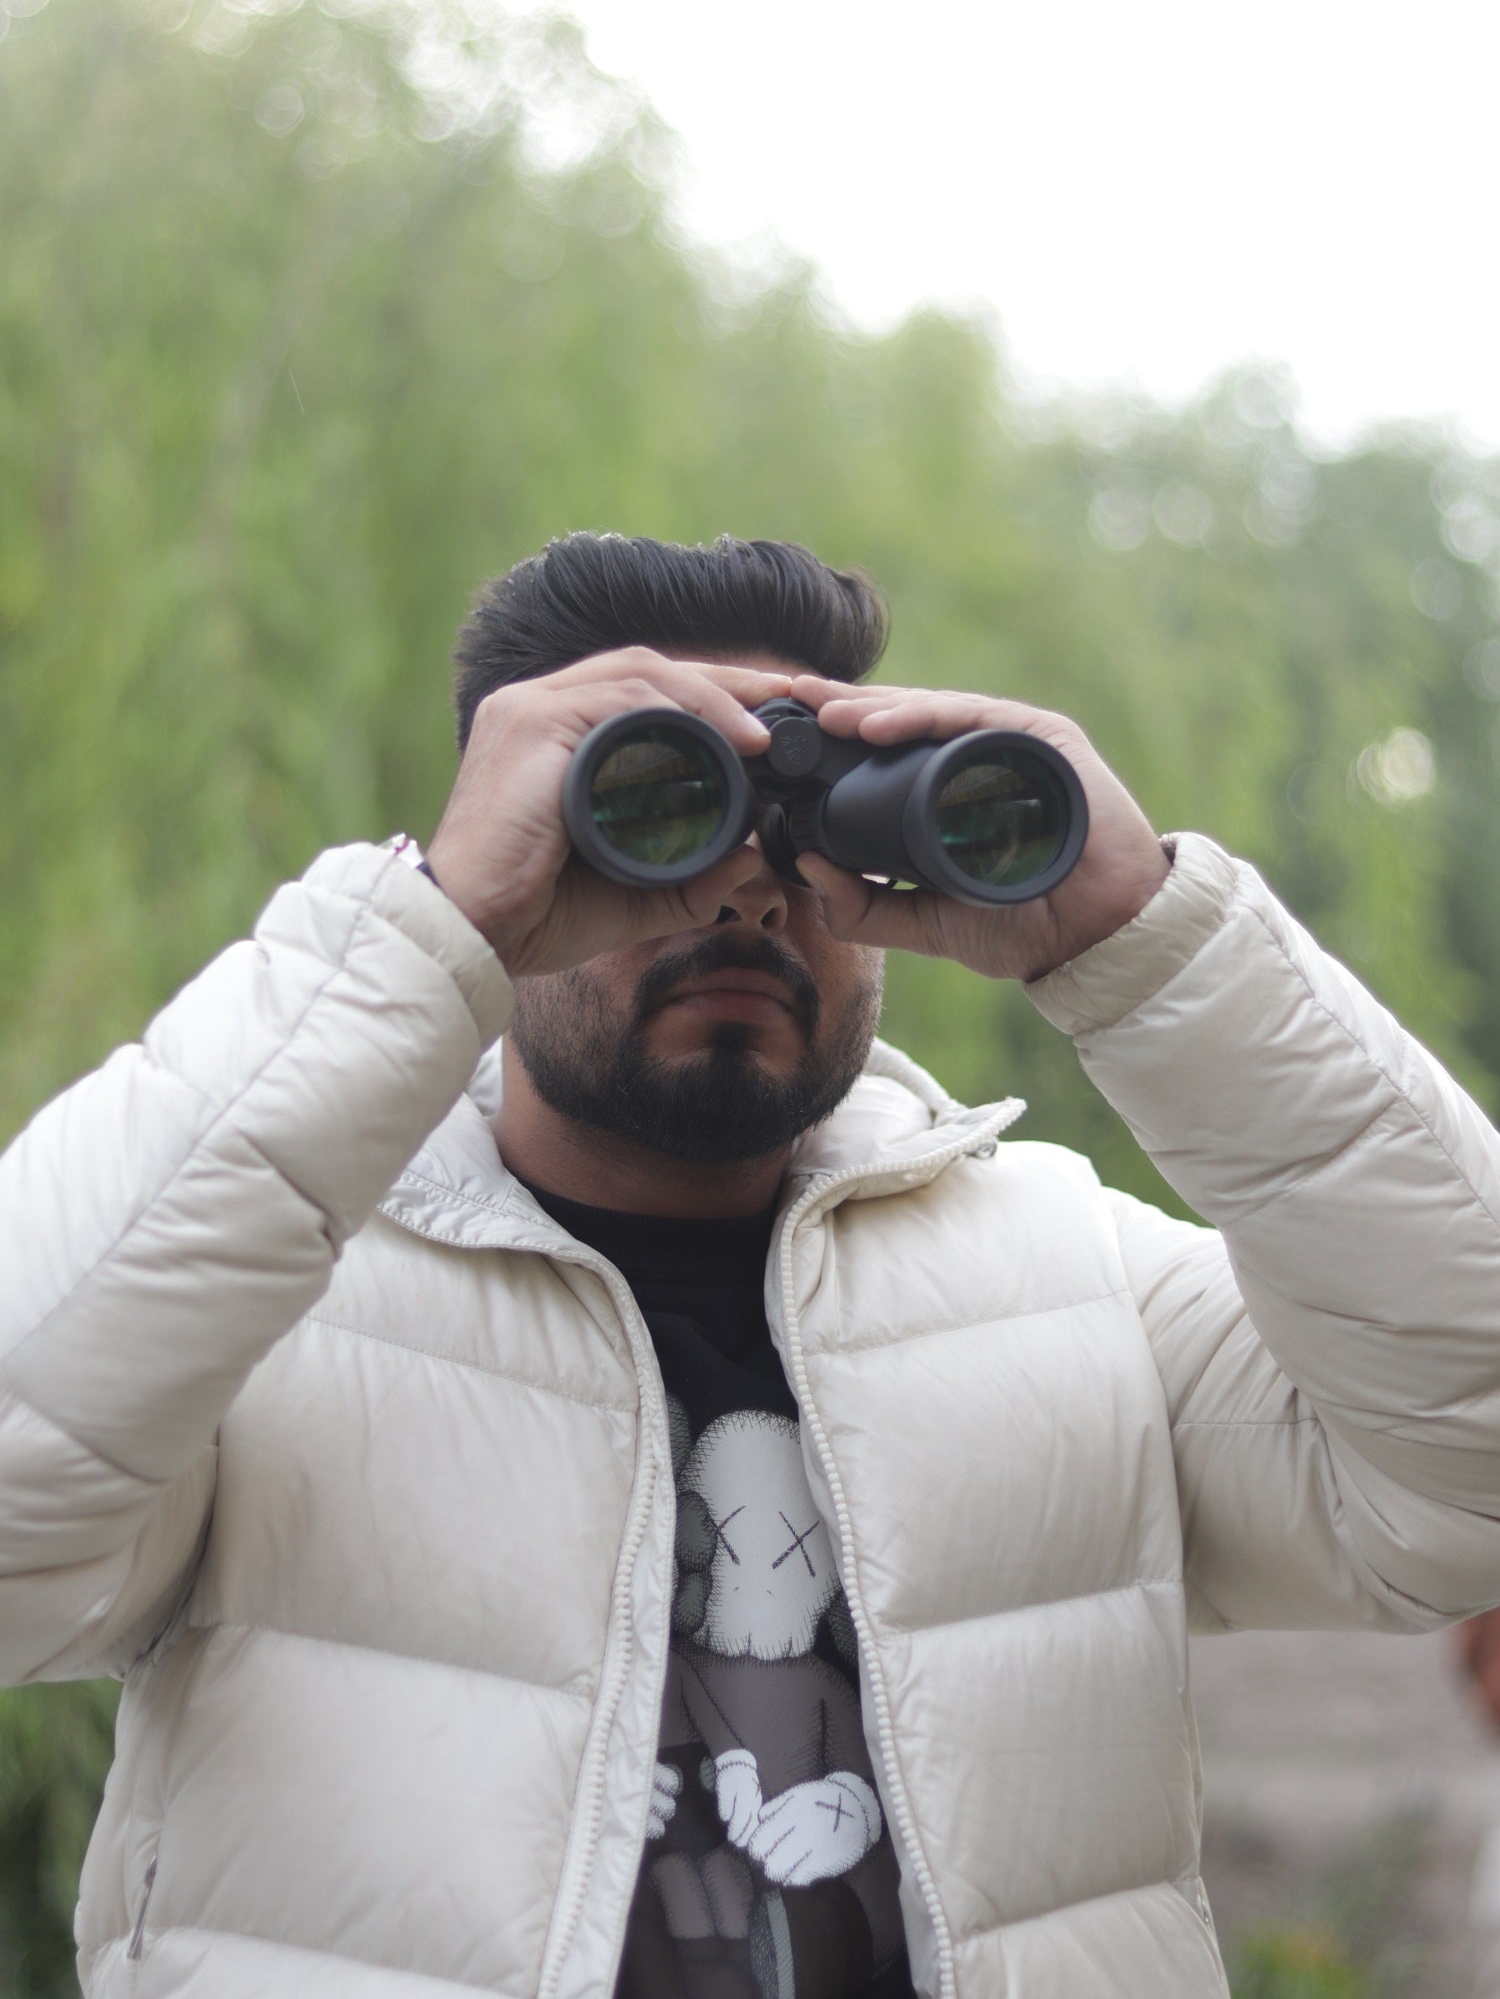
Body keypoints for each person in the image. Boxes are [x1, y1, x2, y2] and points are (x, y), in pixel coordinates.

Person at [3, 530, 1500, 1999]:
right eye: (653, 801)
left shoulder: (1076, 1282)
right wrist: (421, 933)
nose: (744, 888)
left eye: (814, 818)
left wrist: (1154, 942)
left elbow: (1472, 1467)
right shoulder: (267, 1305)